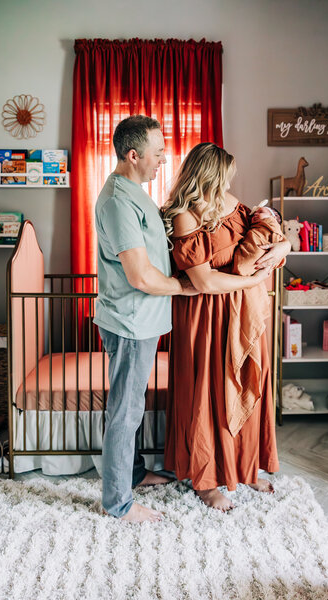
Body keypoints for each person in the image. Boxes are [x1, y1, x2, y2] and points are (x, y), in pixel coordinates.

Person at [162, 142, 290, 511]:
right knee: (208, 396)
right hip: (205, 315)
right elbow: (203, 281)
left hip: (242, 313)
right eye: (224, 175)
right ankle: (206, 479)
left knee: (247, 386)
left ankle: (246, 466)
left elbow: (274, 232)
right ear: (209, 175)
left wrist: (283, 249)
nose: (229, 182)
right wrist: (252, 281)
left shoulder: (234, 205)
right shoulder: (186, 215)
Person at [94, 115, 197, 523]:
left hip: (142, 321)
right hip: (130, 322)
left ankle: (133, 474)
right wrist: (185, 286)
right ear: (133, 155)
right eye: (157, 153)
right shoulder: (119, 200)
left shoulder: (135, 193)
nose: (163, 160)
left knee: (131, 405)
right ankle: (117, 503)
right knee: (126, 410)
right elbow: (139, 275)